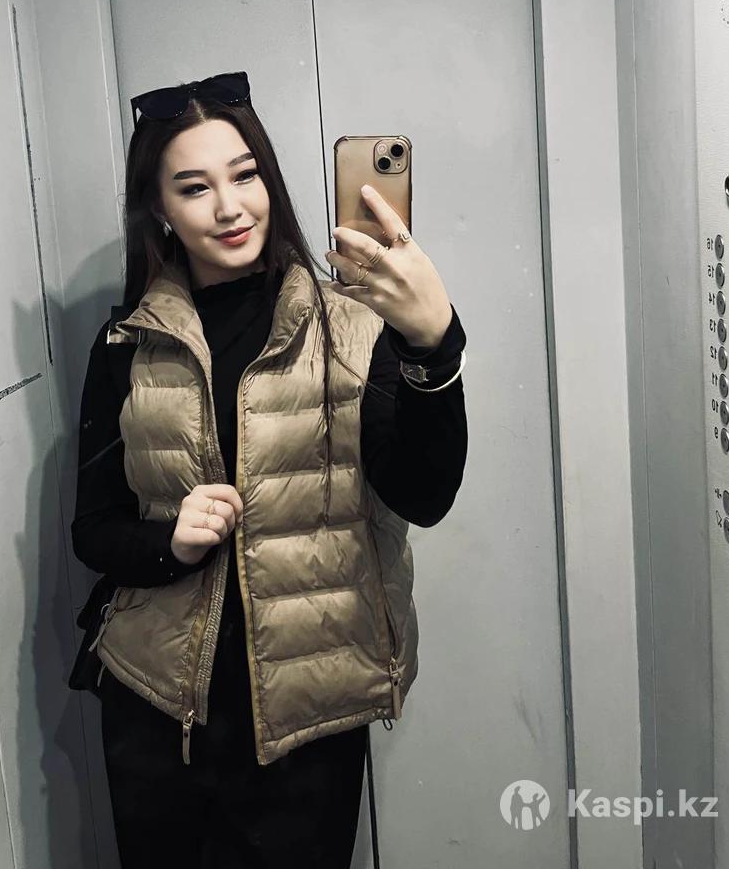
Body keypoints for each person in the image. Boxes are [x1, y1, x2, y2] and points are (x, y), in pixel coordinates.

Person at [71, 71, 468, 868]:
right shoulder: (127, 345)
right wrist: (168, 544)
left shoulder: (352, 326)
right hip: (155, 716)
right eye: (194, 187)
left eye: (245, 175)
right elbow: (94, 530)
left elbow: (422, 495)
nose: (229, 207)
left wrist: (433, 344)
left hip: (306, 726)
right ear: (160, 209)